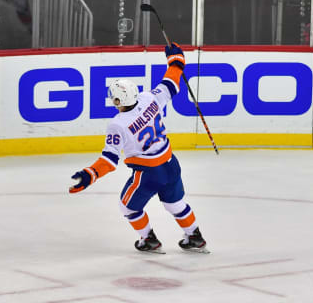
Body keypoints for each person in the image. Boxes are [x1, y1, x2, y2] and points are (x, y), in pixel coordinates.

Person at [69, 43, 209, 254]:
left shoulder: (118, 124)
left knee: (128, 207)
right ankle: (195, 236)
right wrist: (176, 60)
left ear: (118, 100)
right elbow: (171, 83)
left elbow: (109, 160)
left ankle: (148, 240)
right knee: (175, 203)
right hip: (171, 163)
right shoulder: (149, 98)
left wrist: (90, 175)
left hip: (148, 173)